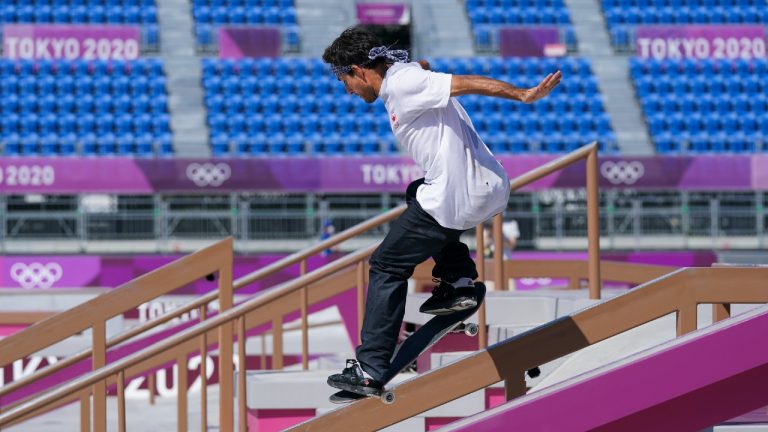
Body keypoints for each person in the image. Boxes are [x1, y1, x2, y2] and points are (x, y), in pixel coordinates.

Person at [322, 27, 561, 396]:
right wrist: (421, 65)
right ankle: (458, 282)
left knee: (387, 265)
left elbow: (465, 82)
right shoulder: (402, 78)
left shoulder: (404, 83)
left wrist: (523, 95)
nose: (348, 91)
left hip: (457, 194)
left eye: (346, 81)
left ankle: (370, 368)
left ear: (359, 69)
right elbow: (416, 69)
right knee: (416, 191)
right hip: (481, 189)